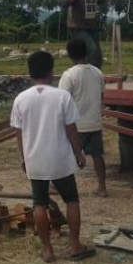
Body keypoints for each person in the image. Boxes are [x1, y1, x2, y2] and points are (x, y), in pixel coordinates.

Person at [11, 51, 96, 263]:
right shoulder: (61, 96)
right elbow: (71, 129)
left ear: (30, 73)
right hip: (60, 160)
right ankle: (75, 246)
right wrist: (79, 153)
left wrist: (24, 158)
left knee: (39, 203)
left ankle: (48, 250)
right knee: (72, 200)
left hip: (35, 160)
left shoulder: (21, 99)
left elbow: (19, 134)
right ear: (51, 72)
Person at [58, 38, 107, 197]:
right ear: (86, 53)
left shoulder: (69, 75)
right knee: (97, 156)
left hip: (76, 124)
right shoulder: (98, 72)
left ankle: (60, 185)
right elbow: (101, 95)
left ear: (70, 55)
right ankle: (102, 187)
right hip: (95, 122)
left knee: (67, 155)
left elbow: (62, 100)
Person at [66, 0, 104, 68]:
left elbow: (100, 2)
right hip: (77, 26)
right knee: (91, 49)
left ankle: (95, 74)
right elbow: (65, 2)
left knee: (98, 55)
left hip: (91, 26)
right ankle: (85, 73)